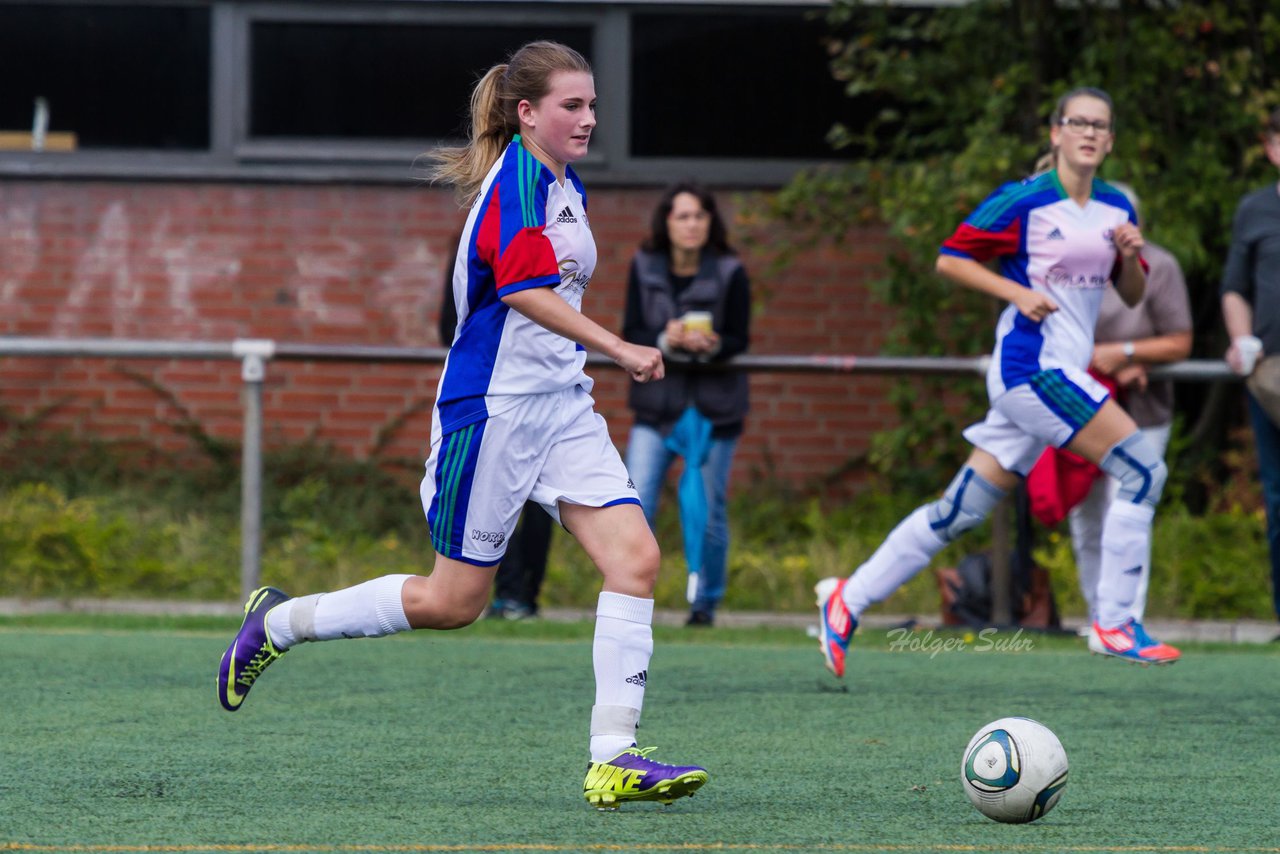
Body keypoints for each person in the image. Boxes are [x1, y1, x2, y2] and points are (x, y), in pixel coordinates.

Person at [217, 41, 708, 809]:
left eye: (590, 104)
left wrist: (592, 361)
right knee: (455, 603)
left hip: (561, 407)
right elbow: (520, 292)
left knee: (636, 560)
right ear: (527, 113)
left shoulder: (560, 180)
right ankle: (280, 624)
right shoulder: (515, 182)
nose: (587, 118)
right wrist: (620, 347)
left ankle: (614, 755)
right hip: (494, 412)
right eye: (570, 106)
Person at [816, 87, 1182, 676]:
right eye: (1078, 122)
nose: (1089, 133)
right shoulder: (1025, 202)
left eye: (1100, 126)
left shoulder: (1117, 209)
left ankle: (846, 600)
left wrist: (1132, 257)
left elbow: (1132, 293)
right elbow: (950, 257)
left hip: (1055, 375)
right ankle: (1113, 622)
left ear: (1110, 141)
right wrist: (1015, 293)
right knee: (1144, 468)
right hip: (1030, 370)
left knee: (958, 511)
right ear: (1056, 132)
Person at [1028, 185, 1192, 626]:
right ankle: (1097, 614)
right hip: (1079, 401)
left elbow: (1179, 341)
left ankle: (1124, 619)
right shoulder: (1065, 264)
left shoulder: (1160, 266)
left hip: (1143, 409)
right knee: (1085, 512)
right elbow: (1054, 334)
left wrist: (1127, 355)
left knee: (1130, 502)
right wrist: (1105, 362)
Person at [622, 182, 751, 628]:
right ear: (667, 222)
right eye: (683, 216)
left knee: (710, 510)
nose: (691, 224)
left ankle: (704, 604)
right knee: (633, 504)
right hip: (657, 405)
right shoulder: (643, 265)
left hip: (715, 408)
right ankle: (633, 601)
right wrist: (664, 340)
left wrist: (713, 344)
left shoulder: (731, 270)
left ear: (710, 222)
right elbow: (631, 328)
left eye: (699, 216)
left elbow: (741, 338)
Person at [439, 248, 553, 620]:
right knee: (452, 603)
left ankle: (527, 595)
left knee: (543, 506)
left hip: (552, 397)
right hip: (495, 398)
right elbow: (450, 322)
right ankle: (508, 593)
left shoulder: (560, 222)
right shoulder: (481, 233)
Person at [1221, 106, 1280, 624]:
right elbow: (1235, 288)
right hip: (1271, 380)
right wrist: (1240, 337)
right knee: (1279, 502)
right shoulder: (1255, 210)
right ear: (1272, 148)